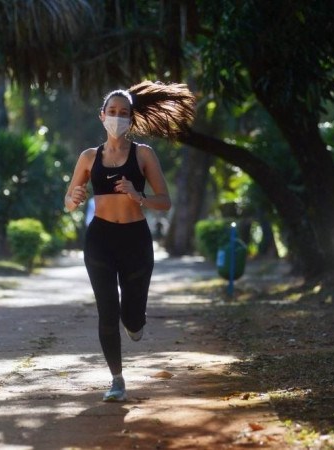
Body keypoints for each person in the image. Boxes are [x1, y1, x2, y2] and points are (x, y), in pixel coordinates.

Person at [64, 81, 196, 402]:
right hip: (100, 239)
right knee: (107, 310)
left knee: (132, 318)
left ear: (132, 119)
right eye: (112, 112)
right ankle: (117, 379)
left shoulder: (143, 155)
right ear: (102, 116)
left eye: (124, 113)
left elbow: (165, 201)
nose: (117, 117)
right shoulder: (87, 157)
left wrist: (140, 197)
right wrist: (75, 197)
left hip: (136, 240)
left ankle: (135, 321)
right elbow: (68, 200)